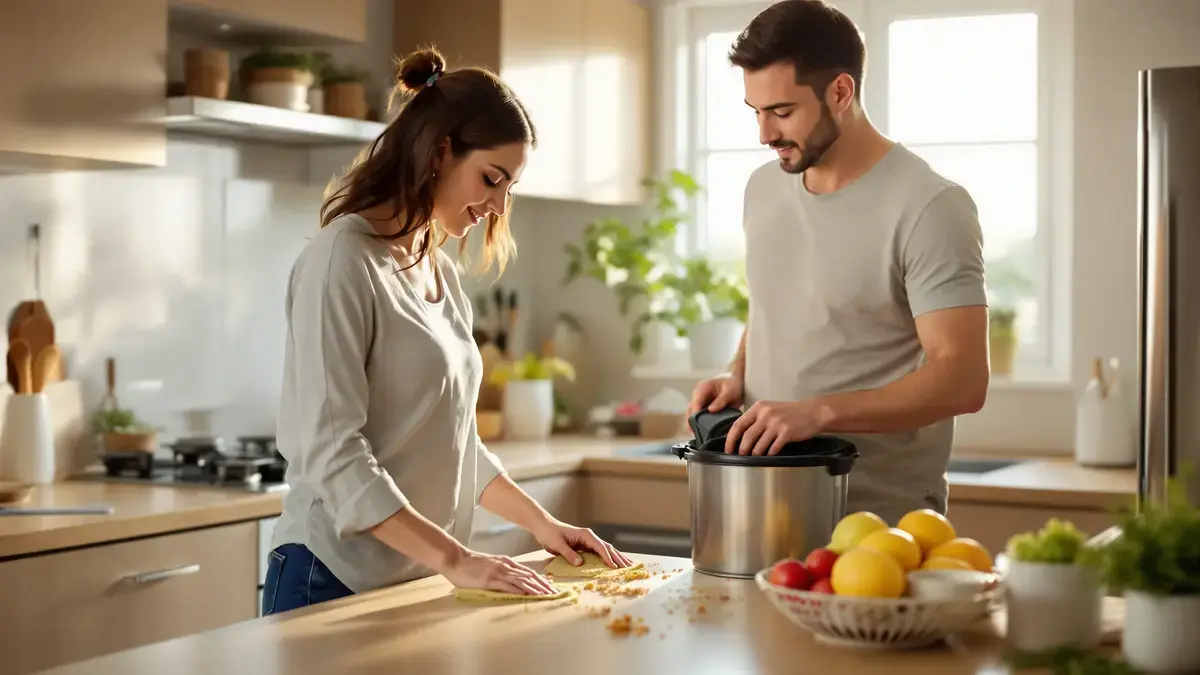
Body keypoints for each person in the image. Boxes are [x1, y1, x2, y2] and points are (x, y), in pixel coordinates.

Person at [265, 47, 633, 616]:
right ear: (439, 152)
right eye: (492, 178)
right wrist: (458, 559)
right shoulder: (343, 259)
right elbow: (333, 452)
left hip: (416, 575)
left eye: (509, 186)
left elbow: (454, 445)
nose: (499, 203)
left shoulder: (437, 268)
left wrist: (543, 525)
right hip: (332, 575)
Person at [689, 0, 990, 526]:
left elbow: (962, 380)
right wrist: (737, 372)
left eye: (782, 112)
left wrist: (819, 410)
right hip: (760, 509)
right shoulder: (763, 188)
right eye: (755, 111)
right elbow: (776, 305)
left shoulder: (930, 206)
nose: (764, 134)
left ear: (841, 92)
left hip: (879, 526)